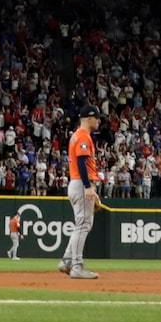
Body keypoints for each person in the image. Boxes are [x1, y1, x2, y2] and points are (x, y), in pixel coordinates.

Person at [61, 110, 101, 279]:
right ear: (89, 118)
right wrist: (87, 186)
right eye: (97, 118)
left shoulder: (78, 135)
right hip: (80, 183)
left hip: (78, 183)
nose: (99, 121)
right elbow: (81, 161)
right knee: (83, 225)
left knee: (82, 224)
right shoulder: (83, 136)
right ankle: (76, 265)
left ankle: (67, 261)